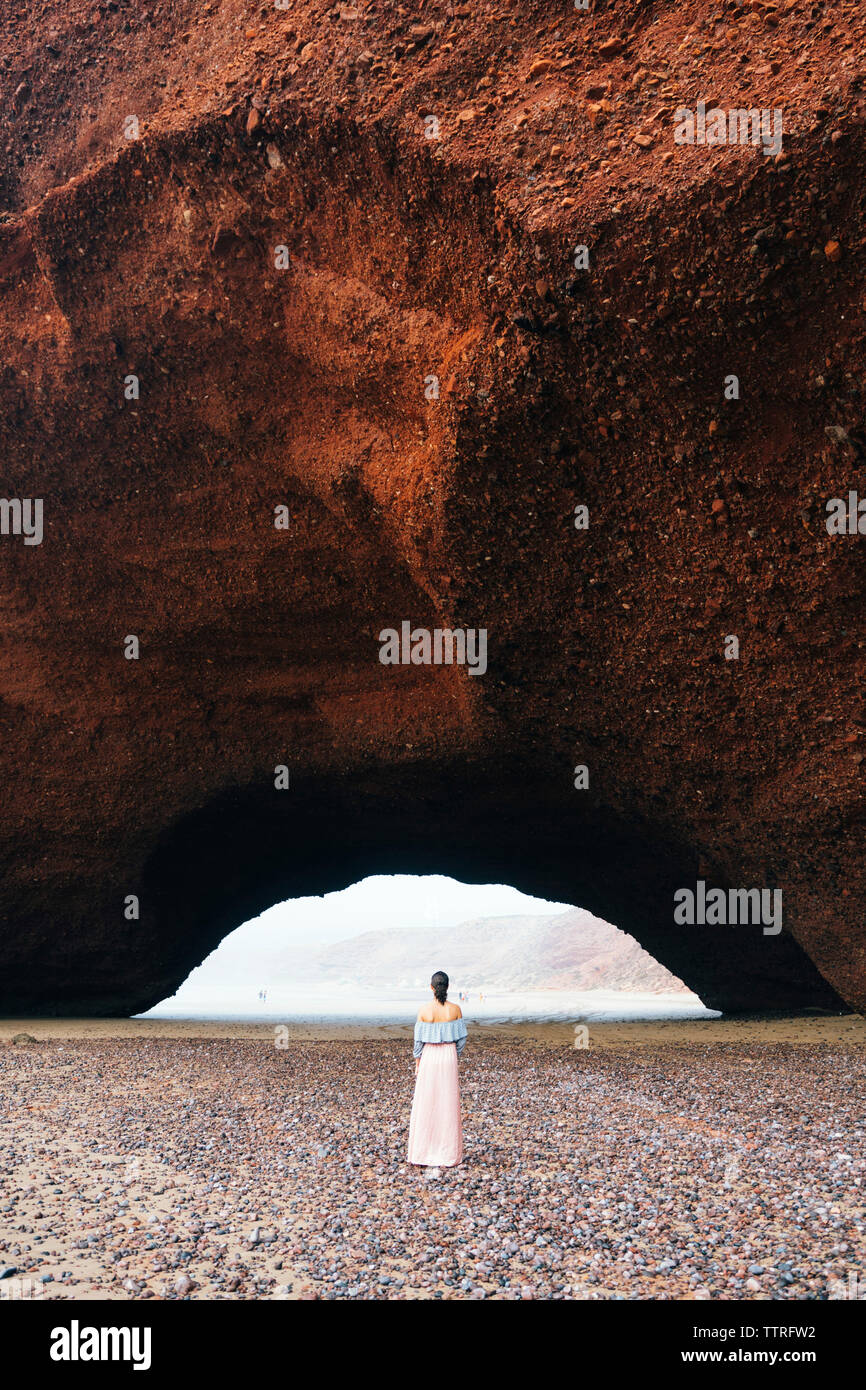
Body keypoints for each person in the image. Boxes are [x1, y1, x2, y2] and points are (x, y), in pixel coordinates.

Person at [407, 970, 466, 1172]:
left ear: (431, 987)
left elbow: (418, 1041)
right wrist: (453, 1054)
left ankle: (422, 1153)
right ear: (447, 987)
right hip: (448, 1055)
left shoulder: (424, 1010)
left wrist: (418, 1061)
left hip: (429, 1057)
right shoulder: (455, 1009)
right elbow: (462, 1039)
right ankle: (448, 1154)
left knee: (426, 1103)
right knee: (447, 1104)